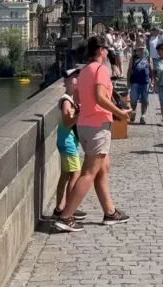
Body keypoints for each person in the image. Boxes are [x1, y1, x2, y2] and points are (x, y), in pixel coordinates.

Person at [54, 36, 132, 232]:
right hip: (98, 125)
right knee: (88, 173)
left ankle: (110, 212)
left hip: (84, 125)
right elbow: (99, 97)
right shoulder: (100, 70)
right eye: (106, 49)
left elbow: (80, 98)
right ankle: (66, 216)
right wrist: (120, 112)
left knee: (103, 168)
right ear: (99, 51)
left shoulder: (84, 72)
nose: (108, 52)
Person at [52, 69, 88, 222]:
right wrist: (81, 114)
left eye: (77, 78)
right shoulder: (66, 100)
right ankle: (68, 209)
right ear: (65, 82)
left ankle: (60, 208)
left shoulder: (71, 99)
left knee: (66, 175)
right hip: (67, 142)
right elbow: (67, 122)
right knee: (75, 174)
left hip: (67, 141)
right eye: (72, 78)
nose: (75, 80)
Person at [126, 45, 152, 125]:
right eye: (139, 49)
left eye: (142, 49)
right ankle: (133, 112)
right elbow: (130, 70)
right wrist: (128, 81)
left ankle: (143, 117)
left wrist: (153, 81)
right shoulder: (133, 58)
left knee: (145, 100)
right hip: (135, 82)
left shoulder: (148, 58)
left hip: (145, 82)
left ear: (145, 49)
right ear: (137, 49)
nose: (141, 50)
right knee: (133, 100)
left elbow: (151, 70)